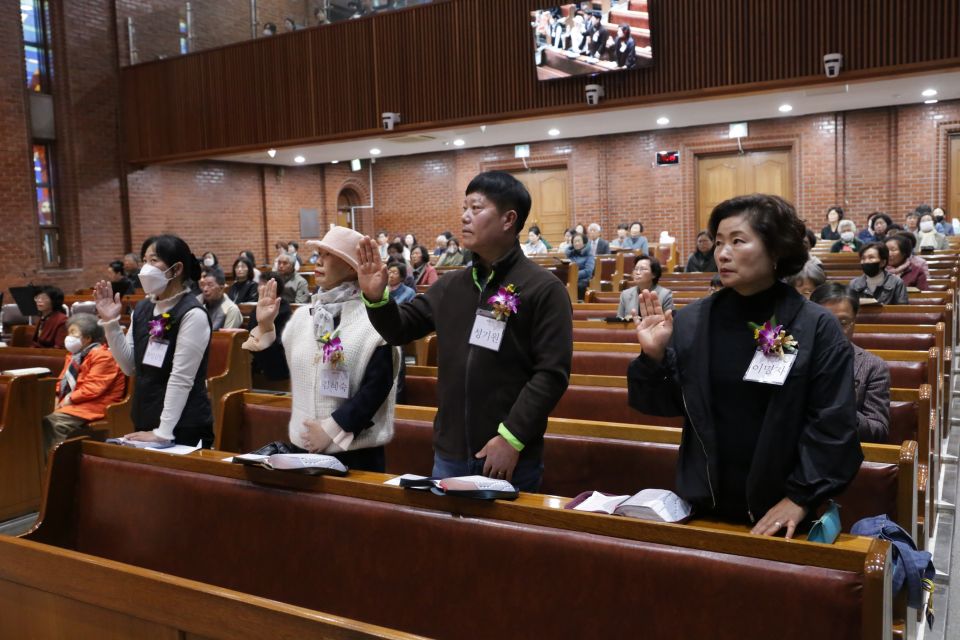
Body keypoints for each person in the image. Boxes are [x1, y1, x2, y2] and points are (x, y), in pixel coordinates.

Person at [627, 193, 862, 538]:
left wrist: (799, 496)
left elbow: (833, 422)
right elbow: (661, 405)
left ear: (776, 249)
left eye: (738, 241)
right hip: (703, 505)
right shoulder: (693, 321)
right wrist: (655, 358)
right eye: (719, 242)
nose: (722, 253)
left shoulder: (812, 325)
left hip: (782, 513)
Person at [357, 171, 573, 491]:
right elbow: (400, 329)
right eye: (464, 208)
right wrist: (377, 299)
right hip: (451, 451)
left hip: (505, 453)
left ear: (508, 219)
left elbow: (551, 374)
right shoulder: (451, 286)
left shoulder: (544, 289)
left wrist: (511, 439)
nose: (464, 217)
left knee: (505, 540)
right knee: (453, 540)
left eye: (476, 208)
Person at [243, 226, 402, 471]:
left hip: (357, 457)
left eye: (328, 255)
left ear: (351, 266)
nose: (318, 261)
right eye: (319, 254)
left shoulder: (375, 319)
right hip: (303, 450)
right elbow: (278, 374)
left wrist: (331, 429)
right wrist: (264, 328)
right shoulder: (304, 317)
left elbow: (376, 389)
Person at [94, 234, 215, 447]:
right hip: (146, 416)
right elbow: (129, 366)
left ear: (176, 269)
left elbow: (181, 378)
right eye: (144, 261)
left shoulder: (192, 313)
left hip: (183, 424)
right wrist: (111, 324)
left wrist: (163, 432)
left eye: (153, 261)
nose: (145, 269)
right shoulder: (143, 308)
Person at [810, 283, 890, 443]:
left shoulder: (873, 367)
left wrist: (843, 406)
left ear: (854, 322)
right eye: (824, 321)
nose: (833, 330)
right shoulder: (792, 356)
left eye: (843, 322)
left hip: (839, 453)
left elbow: (878, 430)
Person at [41, 313, 126, 453]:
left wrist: (68, 400)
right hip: (75, 403)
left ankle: (55, 466)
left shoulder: (103, 356)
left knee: (52, 422)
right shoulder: (75, 356)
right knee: (33, 417)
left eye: (73, 333)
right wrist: (56, 397)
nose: (68, 337)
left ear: (87, 338)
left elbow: (93, 388)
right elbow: (61, 381)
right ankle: (36, 465)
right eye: (68, 333)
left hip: (94, 404)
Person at [245, 272, 291, 383]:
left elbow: (280, 340)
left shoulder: (283, 308)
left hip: (276, 359)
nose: (260, 288)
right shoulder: (259, 306)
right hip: (258, 355)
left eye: (264, 285)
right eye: (259, 285)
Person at [566, 232, 594, 301]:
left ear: (584, 242)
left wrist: (574, 275)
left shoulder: (589, 255)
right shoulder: (570, 255)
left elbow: (588, 271)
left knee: (578, 286)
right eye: (575, 241)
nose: (576, 243)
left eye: (578, 241)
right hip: (570, 279)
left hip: (583, 280)